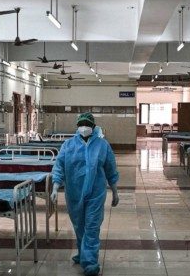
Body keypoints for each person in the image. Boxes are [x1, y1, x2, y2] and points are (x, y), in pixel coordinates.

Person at [50, 112, 119, 276]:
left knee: (92, 227)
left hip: (96, 193)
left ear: (93, 127)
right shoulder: (68, 145)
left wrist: (115, 192)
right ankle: (83, 253)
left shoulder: (103, 146)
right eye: (81, 124)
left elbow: (111, 170)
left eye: (87, 124)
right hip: (74, 194)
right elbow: (59, 167)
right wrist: (54, 188)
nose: (84, 127)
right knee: (79, 226)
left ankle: (90, 263)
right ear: (77, 126)